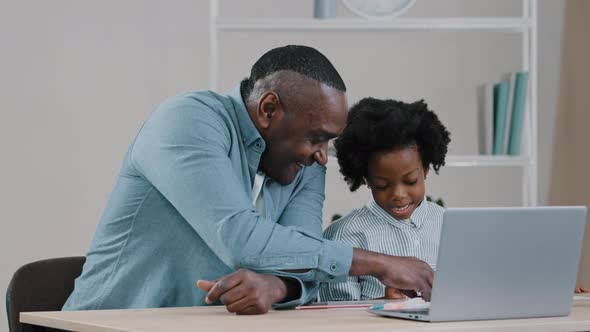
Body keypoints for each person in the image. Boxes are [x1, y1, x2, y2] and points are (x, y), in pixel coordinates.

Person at [63, 45, 434, 315]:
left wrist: (279, 285)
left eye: (328, 142)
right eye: (315, 137)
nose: (322, 155)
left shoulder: (305, 163)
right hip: (108, 323)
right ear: (268, 109)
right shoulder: (189, 121)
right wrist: (380, 262)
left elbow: (307, 258)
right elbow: (240, 238)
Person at [319, 98, 450, 301]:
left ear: (425, 170)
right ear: (366, 179)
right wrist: (384, 304)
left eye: (411, 181)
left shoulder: (449, 224)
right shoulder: (344, 236)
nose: (398, 194)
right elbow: (336, 318)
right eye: (382, 185)